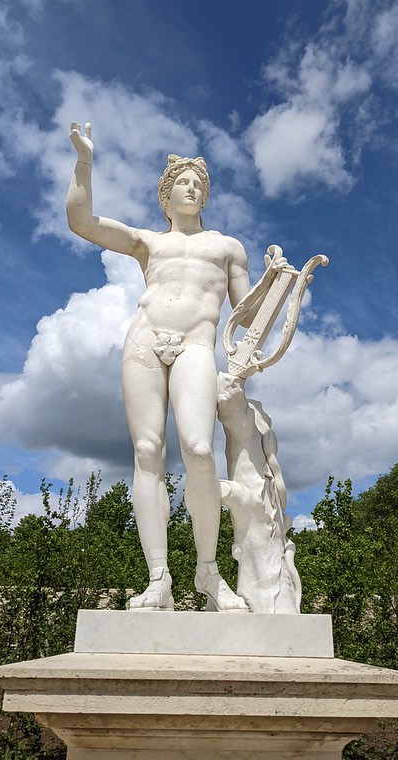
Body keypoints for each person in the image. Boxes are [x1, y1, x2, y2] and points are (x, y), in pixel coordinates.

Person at [66, 122, 253, 611]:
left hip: (196, 343)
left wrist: (279, 287)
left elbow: (247, 311)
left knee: (198, 448)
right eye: (182, 183)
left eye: (199, 184)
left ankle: (209, 573)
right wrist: (85, 161)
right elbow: (82, 222)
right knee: (148, 451)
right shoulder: (148, 241)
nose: (191, 188)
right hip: (145, 340)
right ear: (166, 196)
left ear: (205, 197)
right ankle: (159, 579)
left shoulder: (227, 247)